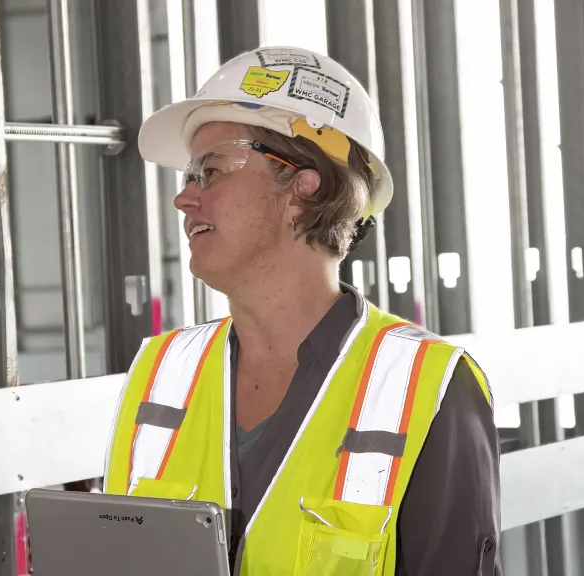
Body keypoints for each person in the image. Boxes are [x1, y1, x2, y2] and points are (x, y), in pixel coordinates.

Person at [102, 46, 502, 575]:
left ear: (302, 187)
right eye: (188, 177)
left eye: (211, 171)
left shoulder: (426, 386)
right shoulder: (159, 372)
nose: (184, 199)